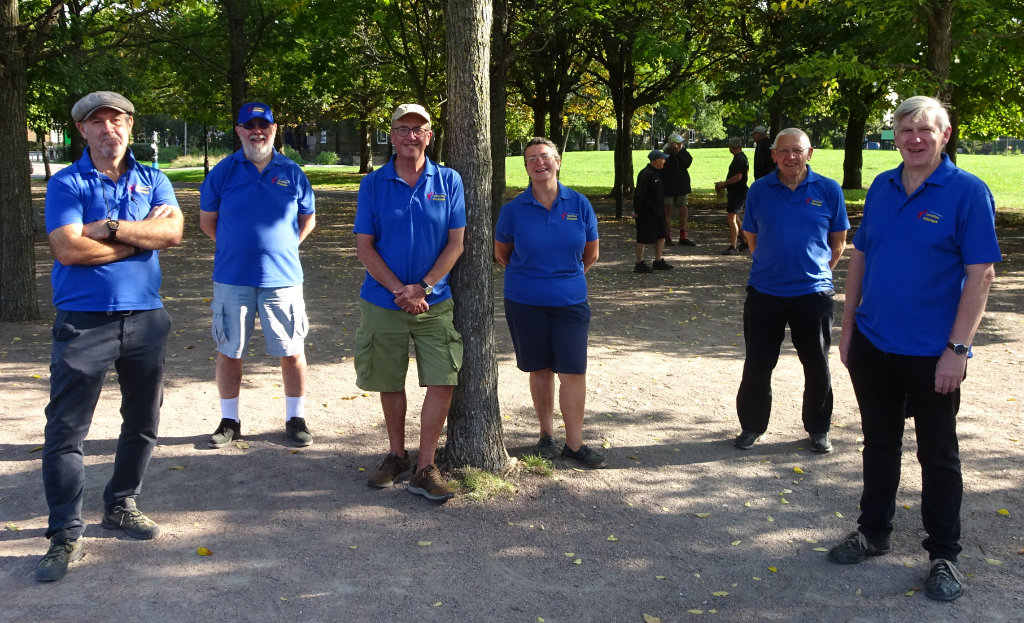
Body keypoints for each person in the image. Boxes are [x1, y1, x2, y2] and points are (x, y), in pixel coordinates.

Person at [827, 96, 1001, 602]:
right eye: (906, 130)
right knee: (879, 443)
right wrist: (848, 325)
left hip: (933, 352)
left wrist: (958, 349)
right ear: (896, 137)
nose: (914, 139)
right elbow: (861, 255)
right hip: (875, 343)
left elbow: (981, 274)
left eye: (925, 130)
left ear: (944, 135)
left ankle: (944, 554)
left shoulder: (967, 191)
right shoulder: (881, 187)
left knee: (938, 453)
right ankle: (874, 532)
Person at [36, 91, 184, 582]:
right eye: (95, 122)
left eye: (116, 120)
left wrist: (109, 227)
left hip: (147, 319)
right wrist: (135, 241)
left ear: (130, 126)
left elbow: (174, 233)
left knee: (142, 421)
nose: (107, 129)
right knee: (66, 432)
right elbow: (67, 249)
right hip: (83, 322)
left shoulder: (154, 178)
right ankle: (64, 533)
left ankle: (121, 504)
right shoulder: (67, 182)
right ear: (82, 131)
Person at [355, 103, 466, 502]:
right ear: (391, 135)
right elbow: (364, 247)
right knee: (388, 379)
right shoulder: (373, 184)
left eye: (417, 129)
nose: (410, 136)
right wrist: (400, 291)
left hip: (435, 302)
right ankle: (397, 455)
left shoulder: (449, 180)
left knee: (442, 378)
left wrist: (424, 287)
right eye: (402, 129)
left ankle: (425, 467)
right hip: (383, 302)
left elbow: (456, 243)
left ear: (429, 135)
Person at [200, 102, 316, 449]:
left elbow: (308, 218)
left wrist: (285, 247)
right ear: (238, 131)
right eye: (249, 126)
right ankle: (229, 420)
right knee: (229, 349)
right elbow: (208, 222)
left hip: (282, 278)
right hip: (232, 276)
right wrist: (237, 247)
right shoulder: (222, 173)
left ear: (274, 129)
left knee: (292, 349)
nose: (257, 132)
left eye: (263, 126)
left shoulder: (292, 172)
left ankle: (296, 418)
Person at [732, 128, 849, 453]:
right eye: (783, 151)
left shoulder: (828, 189)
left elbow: (838, 241)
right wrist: (773, 264)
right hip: (765, 292)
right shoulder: (759, 190)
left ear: (809, 153)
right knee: (757, 362)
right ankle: (752, 426)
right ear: (773, 155)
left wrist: (818, 273)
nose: (790, 157)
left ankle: (818, 429)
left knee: (816, 363)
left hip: (813, 295)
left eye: (797, 150)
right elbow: (752, 236)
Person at [495, 137, 605, 468]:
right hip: (525, 302)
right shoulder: (513, 210)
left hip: (570, 303)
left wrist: (564, 279)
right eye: (531, 158)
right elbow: (503, 254)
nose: (539, 162)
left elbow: (591, 253)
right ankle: (546, 436)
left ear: (558, 161)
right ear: (526, 167)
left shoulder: (579, 204)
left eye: (545, 156)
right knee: (540, 370)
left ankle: (575, 443)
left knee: (573, 371)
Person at [632, 149, 673, 273]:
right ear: (656, 161)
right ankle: (639, 263)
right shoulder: (647, 174)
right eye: (662, 159)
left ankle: (658, 261)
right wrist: (637, 211)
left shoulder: (656, 173)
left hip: (658, 211)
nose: (664, 161)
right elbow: (639, 194)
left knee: (662, 234)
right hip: (646, 212)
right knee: (643, 237)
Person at [661, 132, 696, 246]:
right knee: (668, 211)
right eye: (678, 143)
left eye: (680, 143)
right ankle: (667, 236)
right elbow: (666, 169)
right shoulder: (665, 154)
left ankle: (683, 237)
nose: (680, 144)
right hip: (669, 186)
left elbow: (687, 163)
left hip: (682, 186)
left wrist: (679, 153)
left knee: (683, 210)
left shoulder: (683, 152)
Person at [715, 137, 748, 255]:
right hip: (738, 192)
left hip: (738, 192)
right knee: (736, 217)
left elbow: (738, 177)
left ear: (732, 147)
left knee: (731, 218)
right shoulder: (741, 157)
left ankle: (733, 246)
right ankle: (745, 240)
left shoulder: (739, 159)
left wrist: (724, 183)